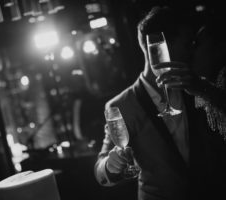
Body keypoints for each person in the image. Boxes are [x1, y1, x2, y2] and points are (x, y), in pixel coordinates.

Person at [94, 6, 226, 200]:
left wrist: (203, 89)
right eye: (187, 43)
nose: (191, 50)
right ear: (160, 45)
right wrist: (110, 165)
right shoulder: (122, 105)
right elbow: (100, 173)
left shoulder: (196, 85)